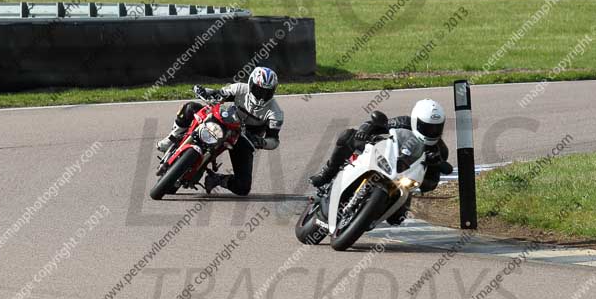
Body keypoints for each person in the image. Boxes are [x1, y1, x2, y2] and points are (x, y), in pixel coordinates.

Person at [309, 99, 452, 225]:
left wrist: (435, 164)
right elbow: (375, 123)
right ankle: (327, 173)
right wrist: (364, 130)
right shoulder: (402, 122)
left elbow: (431, 183)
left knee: (397, 219)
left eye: (436, 127)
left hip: (403, 181)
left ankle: (372, 214)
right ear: (416, 120)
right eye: (427, 126)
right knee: (347, 135)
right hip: (384, 159)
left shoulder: (440, 150)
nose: (432, 131)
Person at [156, 67, 283, 196]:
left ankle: (217, 179)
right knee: (190, 107)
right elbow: (219, 94)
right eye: (259, 90)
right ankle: (171, 138)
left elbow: (274, 140)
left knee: (243, 187)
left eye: (267, 92)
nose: (262, 96)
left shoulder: (275, 113)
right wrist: (205, 91)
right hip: (225, 123)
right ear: (251, 84)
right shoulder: (239, 89)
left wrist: (260, 141)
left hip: (245, 140)